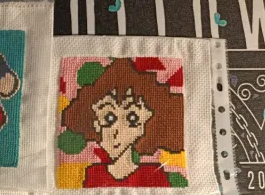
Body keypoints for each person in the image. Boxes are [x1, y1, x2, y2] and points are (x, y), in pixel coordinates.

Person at [62, 58, 186, 187]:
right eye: (109, 118)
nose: (117, 132)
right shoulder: (92, 173)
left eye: (132, 119)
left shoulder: (154, 175)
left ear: (143, 128)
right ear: (95, 123)